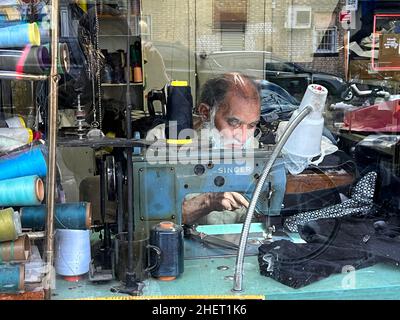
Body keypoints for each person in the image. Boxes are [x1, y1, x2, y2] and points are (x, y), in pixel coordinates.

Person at [146, 72, 262, 225]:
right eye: (234, 123)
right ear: (205, 113)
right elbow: (151, 222)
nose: (243, 136)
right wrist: (208, 201)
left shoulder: (252, 147)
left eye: (252, 125)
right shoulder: (162, 142)